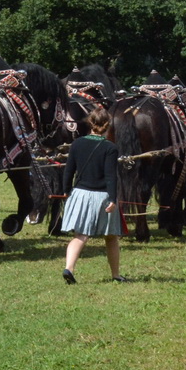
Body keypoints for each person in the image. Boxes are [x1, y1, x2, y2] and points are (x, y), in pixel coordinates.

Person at [61, 106, 126, 284]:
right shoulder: (110, 148)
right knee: (111, 237)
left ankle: (69, 268)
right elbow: (111, 176)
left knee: (80, 236)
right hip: (101, 196)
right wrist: (113, 199)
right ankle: (115, 275)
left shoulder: (77, 143)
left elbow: (69, 170)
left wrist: (66, 191)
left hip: (79, 194)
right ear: (108, 125)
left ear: (90, 123)